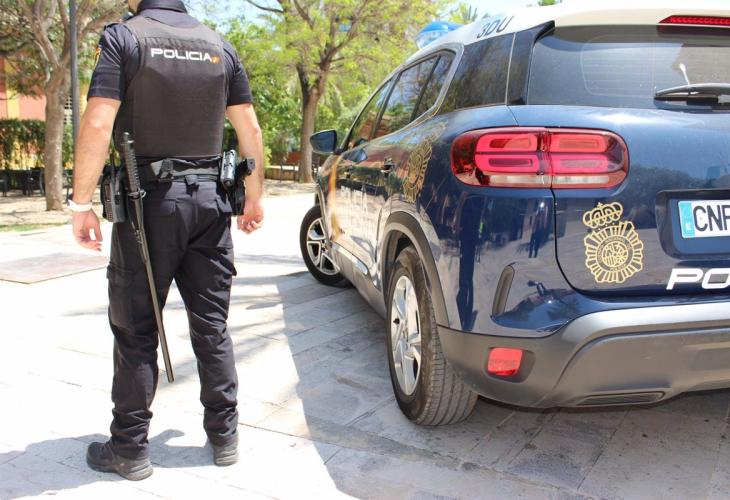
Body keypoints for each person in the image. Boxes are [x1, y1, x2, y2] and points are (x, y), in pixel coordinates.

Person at [69, 0, 264, 481]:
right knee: (212, 326)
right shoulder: (219, 46)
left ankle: (129, 449)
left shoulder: (125, 38)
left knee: (136, 329)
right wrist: (254, 198)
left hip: (149, 207)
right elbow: (249, 127)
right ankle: (225, 438)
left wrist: (80, 203)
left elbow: (98, 122)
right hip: (211, 205)